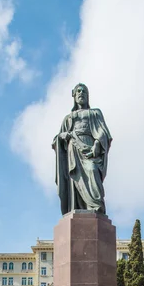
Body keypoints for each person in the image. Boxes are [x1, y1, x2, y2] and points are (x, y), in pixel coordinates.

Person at [52, 83, 112, 215]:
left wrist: (97, 144)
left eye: (84, 91)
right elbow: (58, 138)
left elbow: (103, 133)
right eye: (78, 91)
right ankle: (78, 209)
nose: (81, 93)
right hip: (73, 150)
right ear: (74, 96)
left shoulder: (95, 113)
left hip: (90, 150)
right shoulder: (68, 118)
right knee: (75, 180)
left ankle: (96, 208)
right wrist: (63, 136)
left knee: (92, 170)